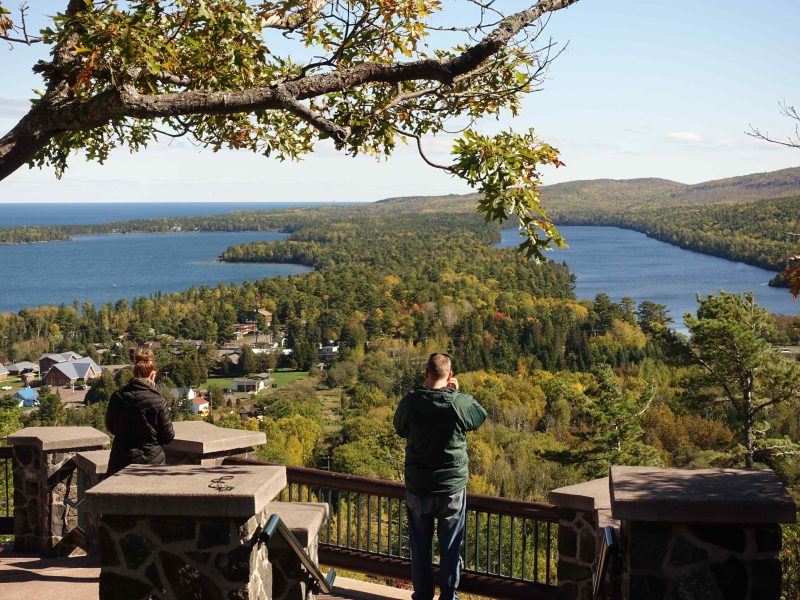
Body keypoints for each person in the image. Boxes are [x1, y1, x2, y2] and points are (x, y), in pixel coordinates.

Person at [393, 353, 487, 600]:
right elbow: (479, 415)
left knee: (420, 548)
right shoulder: (457, 403)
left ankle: (422, 595)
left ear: (426, 374)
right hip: (451, 489)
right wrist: (455, 392)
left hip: (418, 488)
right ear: (449, 376)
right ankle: (448, 596)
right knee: (450, 547)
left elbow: (399, 427)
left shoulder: (411, 403)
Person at [106, 348, 175, 476]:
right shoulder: (159, 401)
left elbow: (111, 426)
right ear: (152, 374)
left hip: (120, 461)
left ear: (135, 372)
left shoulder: (117, 397)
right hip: (152, 463)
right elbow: (168, 435)